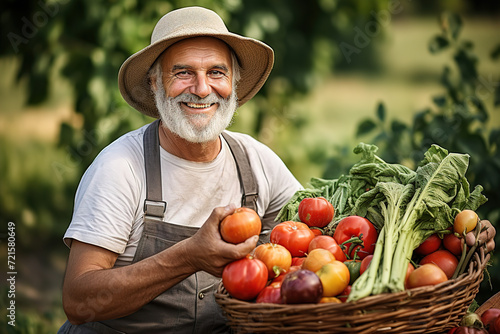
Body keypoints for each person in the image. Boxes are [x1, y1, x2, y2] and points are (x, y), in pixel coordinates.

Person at [58, 6, 496, 334]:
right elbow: (78, 301)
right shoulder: (121, 167)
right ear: (155, 85)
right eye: (182, 73)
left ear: (233, 85)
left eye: (216, 72)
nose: (202, 88)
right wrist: (189, 255)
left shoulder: (254, 161)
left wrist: (454, 244)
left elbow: (328, 245)